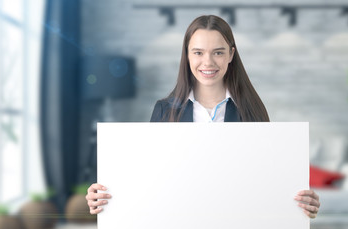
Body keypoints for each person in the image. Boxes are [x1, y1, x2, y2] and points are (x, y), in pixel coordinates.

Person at [86, 15, 320, 218]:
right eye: (198, 52)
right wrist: (105, 195)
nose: (208, 62)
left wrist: (300, 203)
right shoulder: (165, 111)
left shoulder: (252, 110)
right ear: (187, 55)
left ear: (231, 54)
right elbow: (149, 181)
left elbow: (270, 182)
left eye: (218, 52)